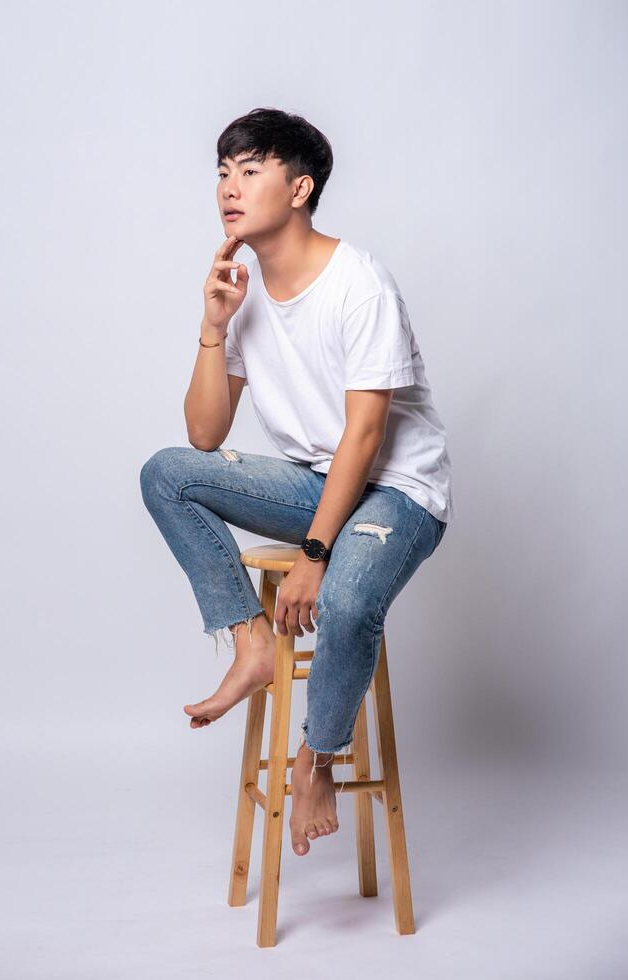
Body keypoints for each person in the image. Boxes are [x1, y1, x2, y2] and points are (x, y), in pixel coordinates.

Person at [139, 107, 454, 858]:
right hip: (320, 483)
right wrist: (215, 324)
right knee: (167, 475)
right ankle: (251, 647)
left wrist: (316, 554)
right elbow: (205, 438)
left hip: (399, 491)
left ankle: (317, 758)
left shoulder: (359, 284)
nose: (229, 187)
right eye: (222, 171)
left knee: (344, 599)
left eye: (251, 170)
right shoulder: (244, 292)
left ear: (300, 187)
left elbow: (368, 436)